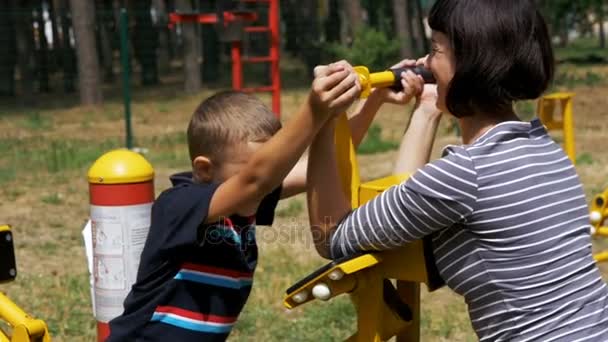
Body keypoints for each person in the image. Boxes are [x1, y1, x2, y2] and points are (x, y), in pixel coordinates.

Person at [306, 1, 608, 341]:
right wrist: (426, 110)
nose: (425, 63)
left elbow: (332, 237)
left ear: (470, 64)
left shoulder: (466, 175)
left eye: (435, 49)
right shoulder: (547, 152)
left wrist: (324, 119)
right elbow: (403, 202)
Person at [105, 58, 428, 341]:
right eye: (260, 166)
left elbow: (321, 165)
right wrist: (315, 110)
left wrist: (369, 102)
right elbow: (255, 180)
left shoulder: (246, 194)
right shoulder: (179, 206)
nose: (270, 176)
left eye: (275, 165)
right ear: (205, 169)